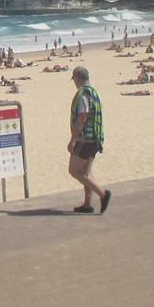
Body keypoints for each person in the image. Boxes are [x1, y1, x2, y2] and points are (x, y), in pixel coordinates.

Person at [66, 66, 111, 215]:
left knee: (74, 170)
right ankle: (87, 204)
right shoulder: (94, 93)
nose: (74, 83)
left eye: (74, 79)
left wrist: (73, 140)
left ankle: (103, 194)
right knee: (87, 171)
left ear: (77, 78)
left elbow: (82, 117)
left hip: (85, 139)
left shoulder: (83, 95)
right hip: (96, 138)